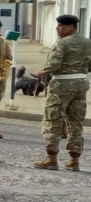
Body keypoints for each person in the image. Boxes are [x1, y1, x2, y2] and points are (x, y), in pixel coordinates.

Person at [33, 14, 91, 171]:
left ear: (71, 26)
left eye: (61, 26)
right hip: (81, 84)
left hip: (61, 85)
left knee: (53, 119)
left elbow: (54, 64)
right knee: (76, 122)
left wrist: (40, 72)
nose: (57, 28)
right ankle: (74, 160)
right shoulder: (87, 42)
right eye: (58, 25)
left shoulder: (62, 43)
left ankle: (51, 158)